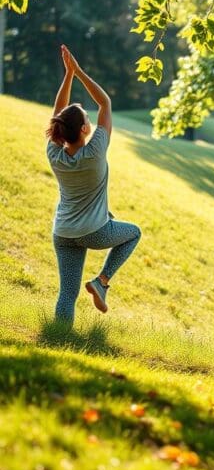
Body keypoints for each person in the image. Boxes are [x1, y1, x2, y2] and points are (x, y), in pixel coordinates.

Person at [46, 45, 141, 323]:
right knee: (134, 233)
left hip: (63, 233)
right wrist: (78, 72)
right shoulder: (96, 150)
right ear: (85, 129)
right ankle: (102, 281)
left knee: (67, 293)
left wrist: (68, 76)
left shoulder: (54, 154)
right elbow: (105, 104)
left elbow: (58, 112)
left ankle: (60, 339)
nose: (90, 119)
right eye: (87, 119)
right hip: (94, 232)